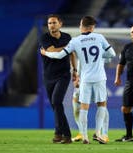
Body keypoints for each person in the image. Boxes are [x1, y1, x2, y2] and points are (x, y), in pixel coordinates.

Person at [41, 16, 116, 144]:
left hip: (85, 78)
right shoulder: (99, 37)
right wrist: (99, 58)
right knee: (102, 104)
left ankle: (84, 136)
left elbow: (59, 55)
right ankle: (99, 133)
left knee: (83, 107)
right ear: (92, 27)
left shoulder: (75, 41)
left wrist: (46, 53)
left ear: (82, 26)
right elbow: (112, 54)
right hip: (99, 77)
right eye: (50, 23)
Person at [39, 14, 77, 144]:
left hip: (63, 75)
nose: (51, 25)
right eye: (49, 23)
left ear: (60, 24)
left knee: (56, 101)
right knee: (56, 105)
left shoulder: (67, 37)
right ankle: (61, 134)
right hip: (49, 76)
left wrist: (75, 70)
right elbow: (53, 52)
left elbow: (72, 54)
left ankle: (62, 134)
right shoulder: (44, 38)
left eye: (54, 23)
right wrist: (68, 47)